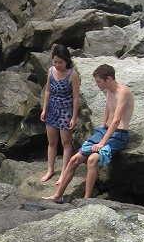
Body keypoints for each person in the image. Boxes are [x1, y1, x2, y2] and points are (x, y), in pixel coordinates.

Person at [45, 63, 134, 202]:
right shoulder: (107, 90)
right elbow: (109, 107)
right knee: (74, 159)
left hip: (118, 135)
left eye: (99, 81)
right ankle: (58, 195)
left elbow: (117, 120)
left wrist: (102, 142)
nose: (97, 84)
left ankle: (86, 199)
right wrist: (104, 123)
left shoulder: (123, 92)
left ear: (109, 79)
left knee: (92, 159)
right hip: (105, 131)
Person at [39, 45, 80, 184]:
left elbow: (75, 97)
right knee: (52, 142)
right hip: (52, 109)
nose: (57, 65)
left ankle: (64, 173)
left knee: (66, 143)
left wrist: (73, 117)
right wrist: (44, 109)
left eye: (60, 62)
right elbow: (48, 91)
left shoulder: (72, 74)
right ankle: (50, 169)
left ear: (66, 61)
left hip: (65, 111)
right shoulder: (51, 71)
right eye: (55, 61)